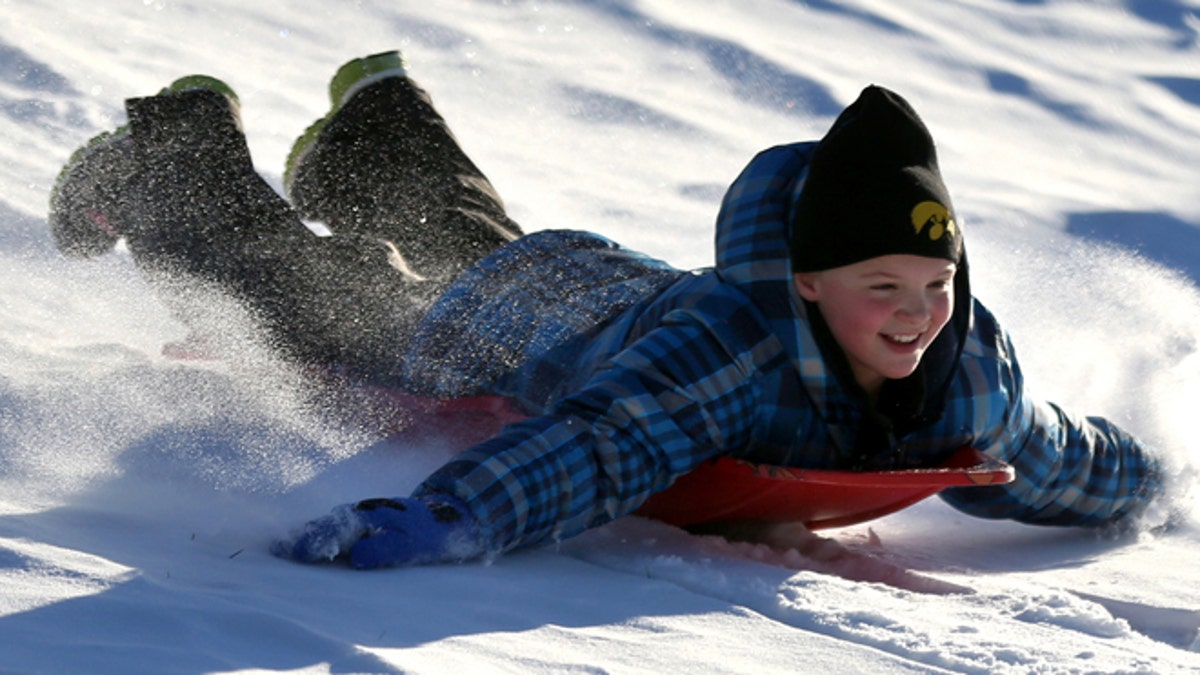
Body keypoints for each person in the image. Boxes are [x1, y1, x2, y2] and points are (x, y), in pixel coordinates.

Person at [50, 51, 1165, 570]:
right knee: (301, 300)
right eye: (884, 287)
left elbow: (1045, 455)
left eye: (934, 286)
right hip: (502, 329)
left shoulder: (969, 367)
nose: (918, 313)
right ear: (809, 282)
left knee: (461, 243)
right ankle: (171, 151)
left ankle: (377, 111)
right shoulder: (738, 352)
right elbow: (608, 442)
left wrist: (1147, 479)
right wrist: (455, 516)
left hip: (589, 287)